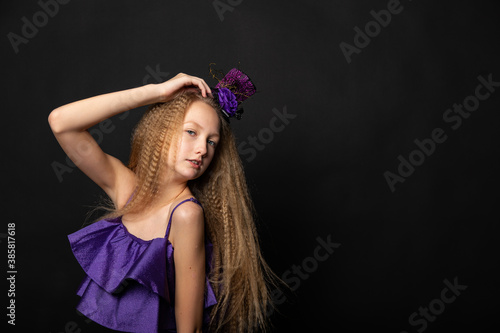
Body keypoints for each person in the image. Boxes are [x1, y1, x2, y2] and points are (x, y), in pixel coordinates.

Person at [48, 69, 285, 333]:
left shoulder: (186, 215)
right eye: (191, 132)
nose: (202, 149)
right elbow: (61, 122)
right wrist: (156, 92)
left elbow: (190, 329)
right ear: (161, 134)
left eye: (212, 142)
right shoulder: (127, 189)